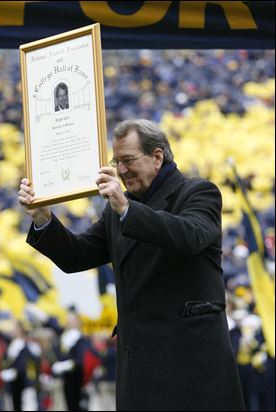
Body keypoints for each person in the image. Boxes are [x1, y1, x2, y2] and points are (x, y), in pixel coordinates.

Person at [18, 119, 245, 411]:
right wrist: (42, 218)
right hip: (139, 370)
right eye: (117, 161)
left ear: (157, 157)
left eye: (128, 160)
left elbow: (190, 235)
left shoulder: (198, 193)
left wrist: (126, 209)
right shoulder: (118, 211)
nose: (121, 170)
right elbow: (77, 256)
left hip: (191, 369)